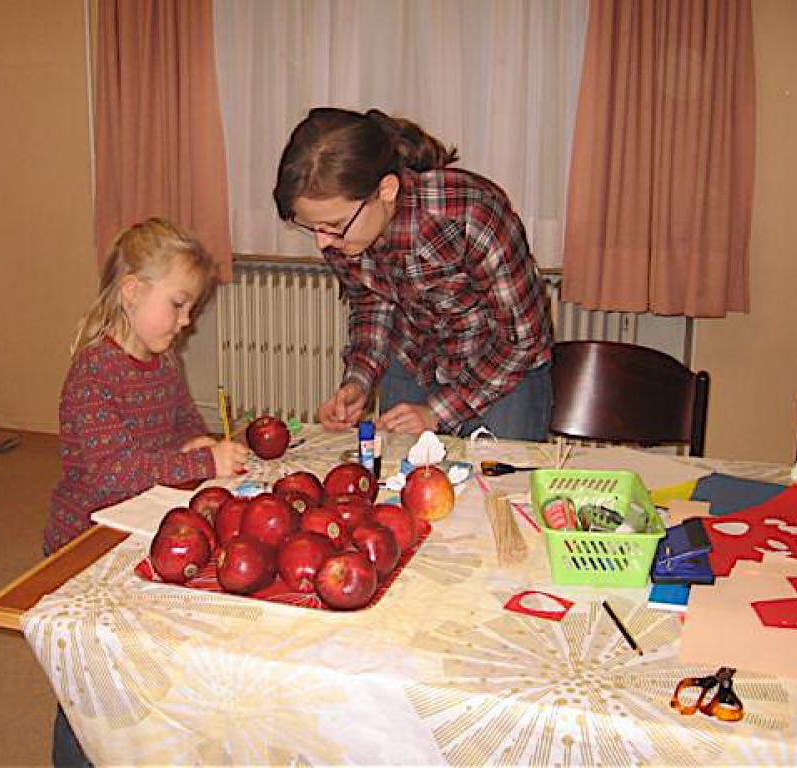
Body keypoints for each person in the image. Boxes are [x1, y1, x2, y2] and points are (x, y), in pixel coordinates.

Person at [43, 217, 249, 766]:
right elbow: (112, 473)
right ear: (132, 291)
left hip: (139, 528)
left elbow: (182, 421)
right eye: (178, 305)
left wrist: (197, 441)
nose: (185, 322)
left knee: (135, 665)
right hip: (84, 545)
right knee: (89, 679)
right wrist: (203, 460)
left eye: (190, 309)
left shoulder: (162, 361)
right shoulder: (93, 372)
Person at [274, 107, 554, 440]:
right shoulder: (342, 232)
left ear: (386, 190)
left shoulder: (470, 213)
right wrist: (358, 381)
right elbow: (370, 305)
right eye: (313, 227)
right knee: (400, 470)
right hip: (414, 364)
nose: (323, 242)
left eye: (333, 225)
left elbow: (523, 338)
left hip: (501, 369)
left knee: (499, 473)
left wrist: (437, 412)